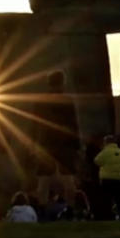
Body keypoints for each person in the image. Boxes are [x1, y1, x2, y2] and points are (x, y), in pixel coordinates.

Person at [32, 70, 81, 206]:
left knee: (43, 182)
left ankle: (42, 210)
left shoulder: (40, 101)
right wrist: (77, 145)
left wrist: (33, 143)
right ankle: (71, 210)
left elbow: (34, 124)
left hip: (45, 144)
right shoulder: (68, 100)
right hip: (64, 144)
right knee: (68, 181)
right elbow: (73, 124)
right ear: (62, 82)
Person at [94, 134, 120, 218]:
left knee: (106, 199)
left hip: (107, 179)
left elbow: (96, 161)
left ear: (105, 142)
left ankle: (107, 215)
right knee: (119, 199)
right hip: (119, 179)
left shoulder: (105, 152)